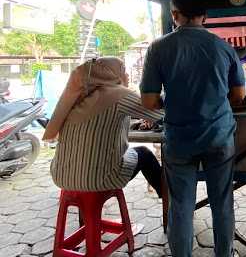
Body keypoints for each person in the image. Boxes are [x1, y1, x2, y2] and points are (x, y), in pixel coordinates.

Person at [140, 0, 246, 257]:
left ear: (175, 15)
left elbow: (148, 101)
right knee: (221, 202)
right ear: (205, 16)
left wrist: (170, 100)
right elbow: (239, 95)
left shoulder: (159, 48)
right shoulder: (223, 47)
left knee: (181, 206)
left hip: (179, 140)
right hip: (219, 137)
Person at [44, 57, 163, 194]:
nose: (128, 75)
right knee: (144, 153)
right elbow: (160, 115)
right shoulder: (119, 94)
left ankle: (85, 215)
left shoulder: (78, 97)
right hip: (99, 180)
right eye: (123, 69)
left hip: (61, 177)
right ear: (111, 74)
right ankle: (169, 201)